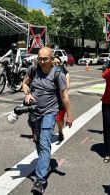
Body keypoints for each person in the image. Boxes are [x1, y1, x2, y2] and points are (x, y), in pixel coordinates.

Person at [22, 47, 74, 194]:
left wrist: (69, 115)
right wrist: (27, 94)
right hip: (34, 113)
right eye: (40, 58)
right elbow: (25, 83)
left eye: (45, 59)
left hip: (50, 113)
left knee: (44, 142)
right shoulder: (33, 69)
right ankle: (45, 164)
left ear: (52, 59)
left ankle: (40, 180)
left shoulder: (58, 74)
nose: (42, 61)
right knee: (38, 142)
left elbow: (64, 97)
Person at [53, 56, 70, 142]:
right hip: (50, 101)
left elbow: (67, 86)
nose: (56, 64)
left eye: (58, 63)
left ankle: (60, 131)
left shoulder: (63, 71)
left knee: (59, 120)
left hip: (60, 100)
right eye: (54, 63)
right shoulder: (48, 70)